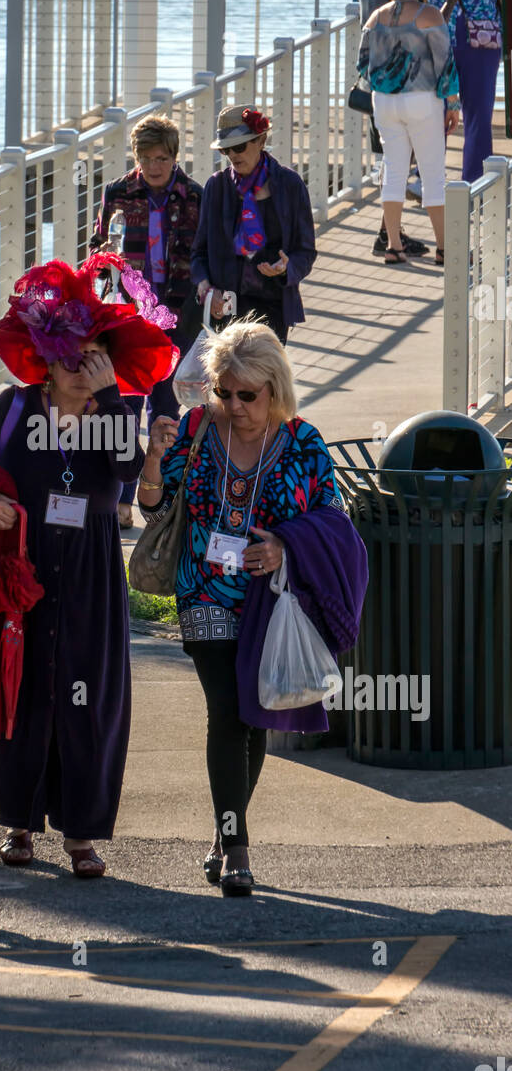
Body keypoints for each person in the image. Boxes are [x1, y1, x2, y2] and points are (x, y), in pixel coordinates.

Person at [0, 258, 176, 878]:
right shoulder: (14, 410)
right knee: (20, 691)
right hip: (22, 570)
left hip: (92, 574)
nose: (83, 369)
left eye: (97, 357)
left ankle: (82, 833)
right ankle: (19, 825)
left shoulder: (112, 411)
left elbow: (131, 476)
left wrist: (110, 399)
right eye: (72, 357)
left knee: (89, 698)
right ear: (45, 357)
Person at [137, 319, 367, 897]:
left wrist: (285, 544)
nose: (233, 405)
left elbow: (332, 520)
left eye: (247, 395)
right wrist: (153, 459)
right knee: (228, 712)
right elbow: (152, 506)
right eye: (223, 392)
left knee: (255, 711)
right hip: (204, 589)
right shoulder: (193, 428)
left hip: (267, 597)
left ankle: (222, 833)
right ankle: (238, 846)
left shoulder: (305, 442)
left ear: (274, 390)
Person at [88, 113, 203, 529]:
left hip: (176, 316)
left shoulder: (193, 195)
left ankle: (162, 494)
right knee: (124, 406)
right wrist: (103, 264)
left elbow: (204, 256)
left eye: (162, 158)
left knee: (168, 408)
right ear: (136, 157)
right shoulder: (118, 192)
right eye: (147, 158)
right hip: (130, 317)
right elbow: (98, 249)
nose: (154, 166)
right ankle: (120, 498)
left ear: (174, 157)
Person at [358, 0, 460, 265]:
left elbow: (362, 64)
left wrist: (387, 80)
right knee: (432, 174)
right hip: (422, 100)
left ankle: (393, 246)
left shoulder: (375, 18)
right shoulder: (429, 15)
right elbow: (445, 63)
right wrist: (452, 102)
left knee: (393, 170)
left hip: (385, 102)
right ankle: (444, 249)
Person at [190, 105, 316, 344]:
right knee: (222, 380)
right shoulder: (217, 187)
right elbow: (198, 253)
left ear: (261, 140)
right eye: (227, 150)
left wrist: (286, 268)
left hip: (273, 306)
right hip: (227, 307)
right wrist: (206, 288)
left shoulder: (290, 185)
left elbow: (306, 251)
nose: (234, 155)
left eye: (239, 147)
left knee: (264, 379)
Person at [422, 0, 509, 184]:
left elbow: (504, 2)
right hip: (440, 47)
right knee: (436, 115)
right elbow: (421, 4)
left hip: (482, 47)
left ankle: (476, 182)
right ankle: (431, 182)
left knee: (478, 116)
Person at [356, 0, 427, 257]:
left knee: (395, 160)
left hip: (388, 84)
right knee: (395, 160)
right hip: (391, 85)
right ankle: (388, 236)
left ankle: (390, 232)